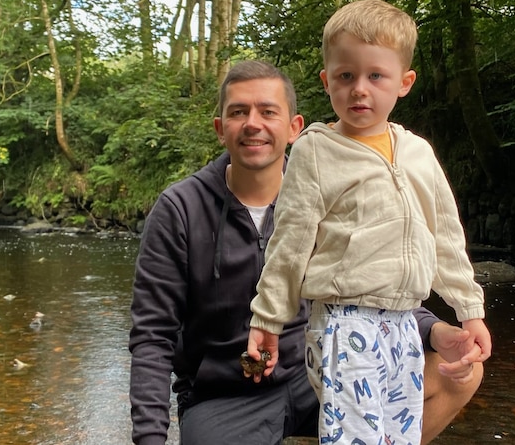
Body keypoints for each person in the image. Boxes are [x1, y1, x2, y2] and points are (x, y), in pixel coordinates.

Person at [129, 59, 483, 445]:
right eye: (238, 112)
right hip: (226, 396)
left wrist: (434, 330)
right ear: (220, 129)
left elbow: (368, 283)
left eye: (268, 112)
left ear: (294, 127)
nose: (253, 123)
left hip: (320, 370)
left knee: (458, 370)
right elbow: (152, 334)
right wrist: (150, 438)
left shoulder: (332, 188)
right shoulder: (180, 209)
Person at [246, 0, 492, 444]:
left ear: (404, 83)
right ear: (326, 81)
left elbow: (446, 238)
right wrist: (267, 319)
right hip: (344, 324)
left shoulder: (417, 152)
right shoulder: (316, 151)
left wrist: (469, 311)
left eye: (375, 76)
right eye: (345, 76)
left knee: (399, 435)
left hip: (402, 324)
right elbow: (290, 242)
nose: (360, 89)